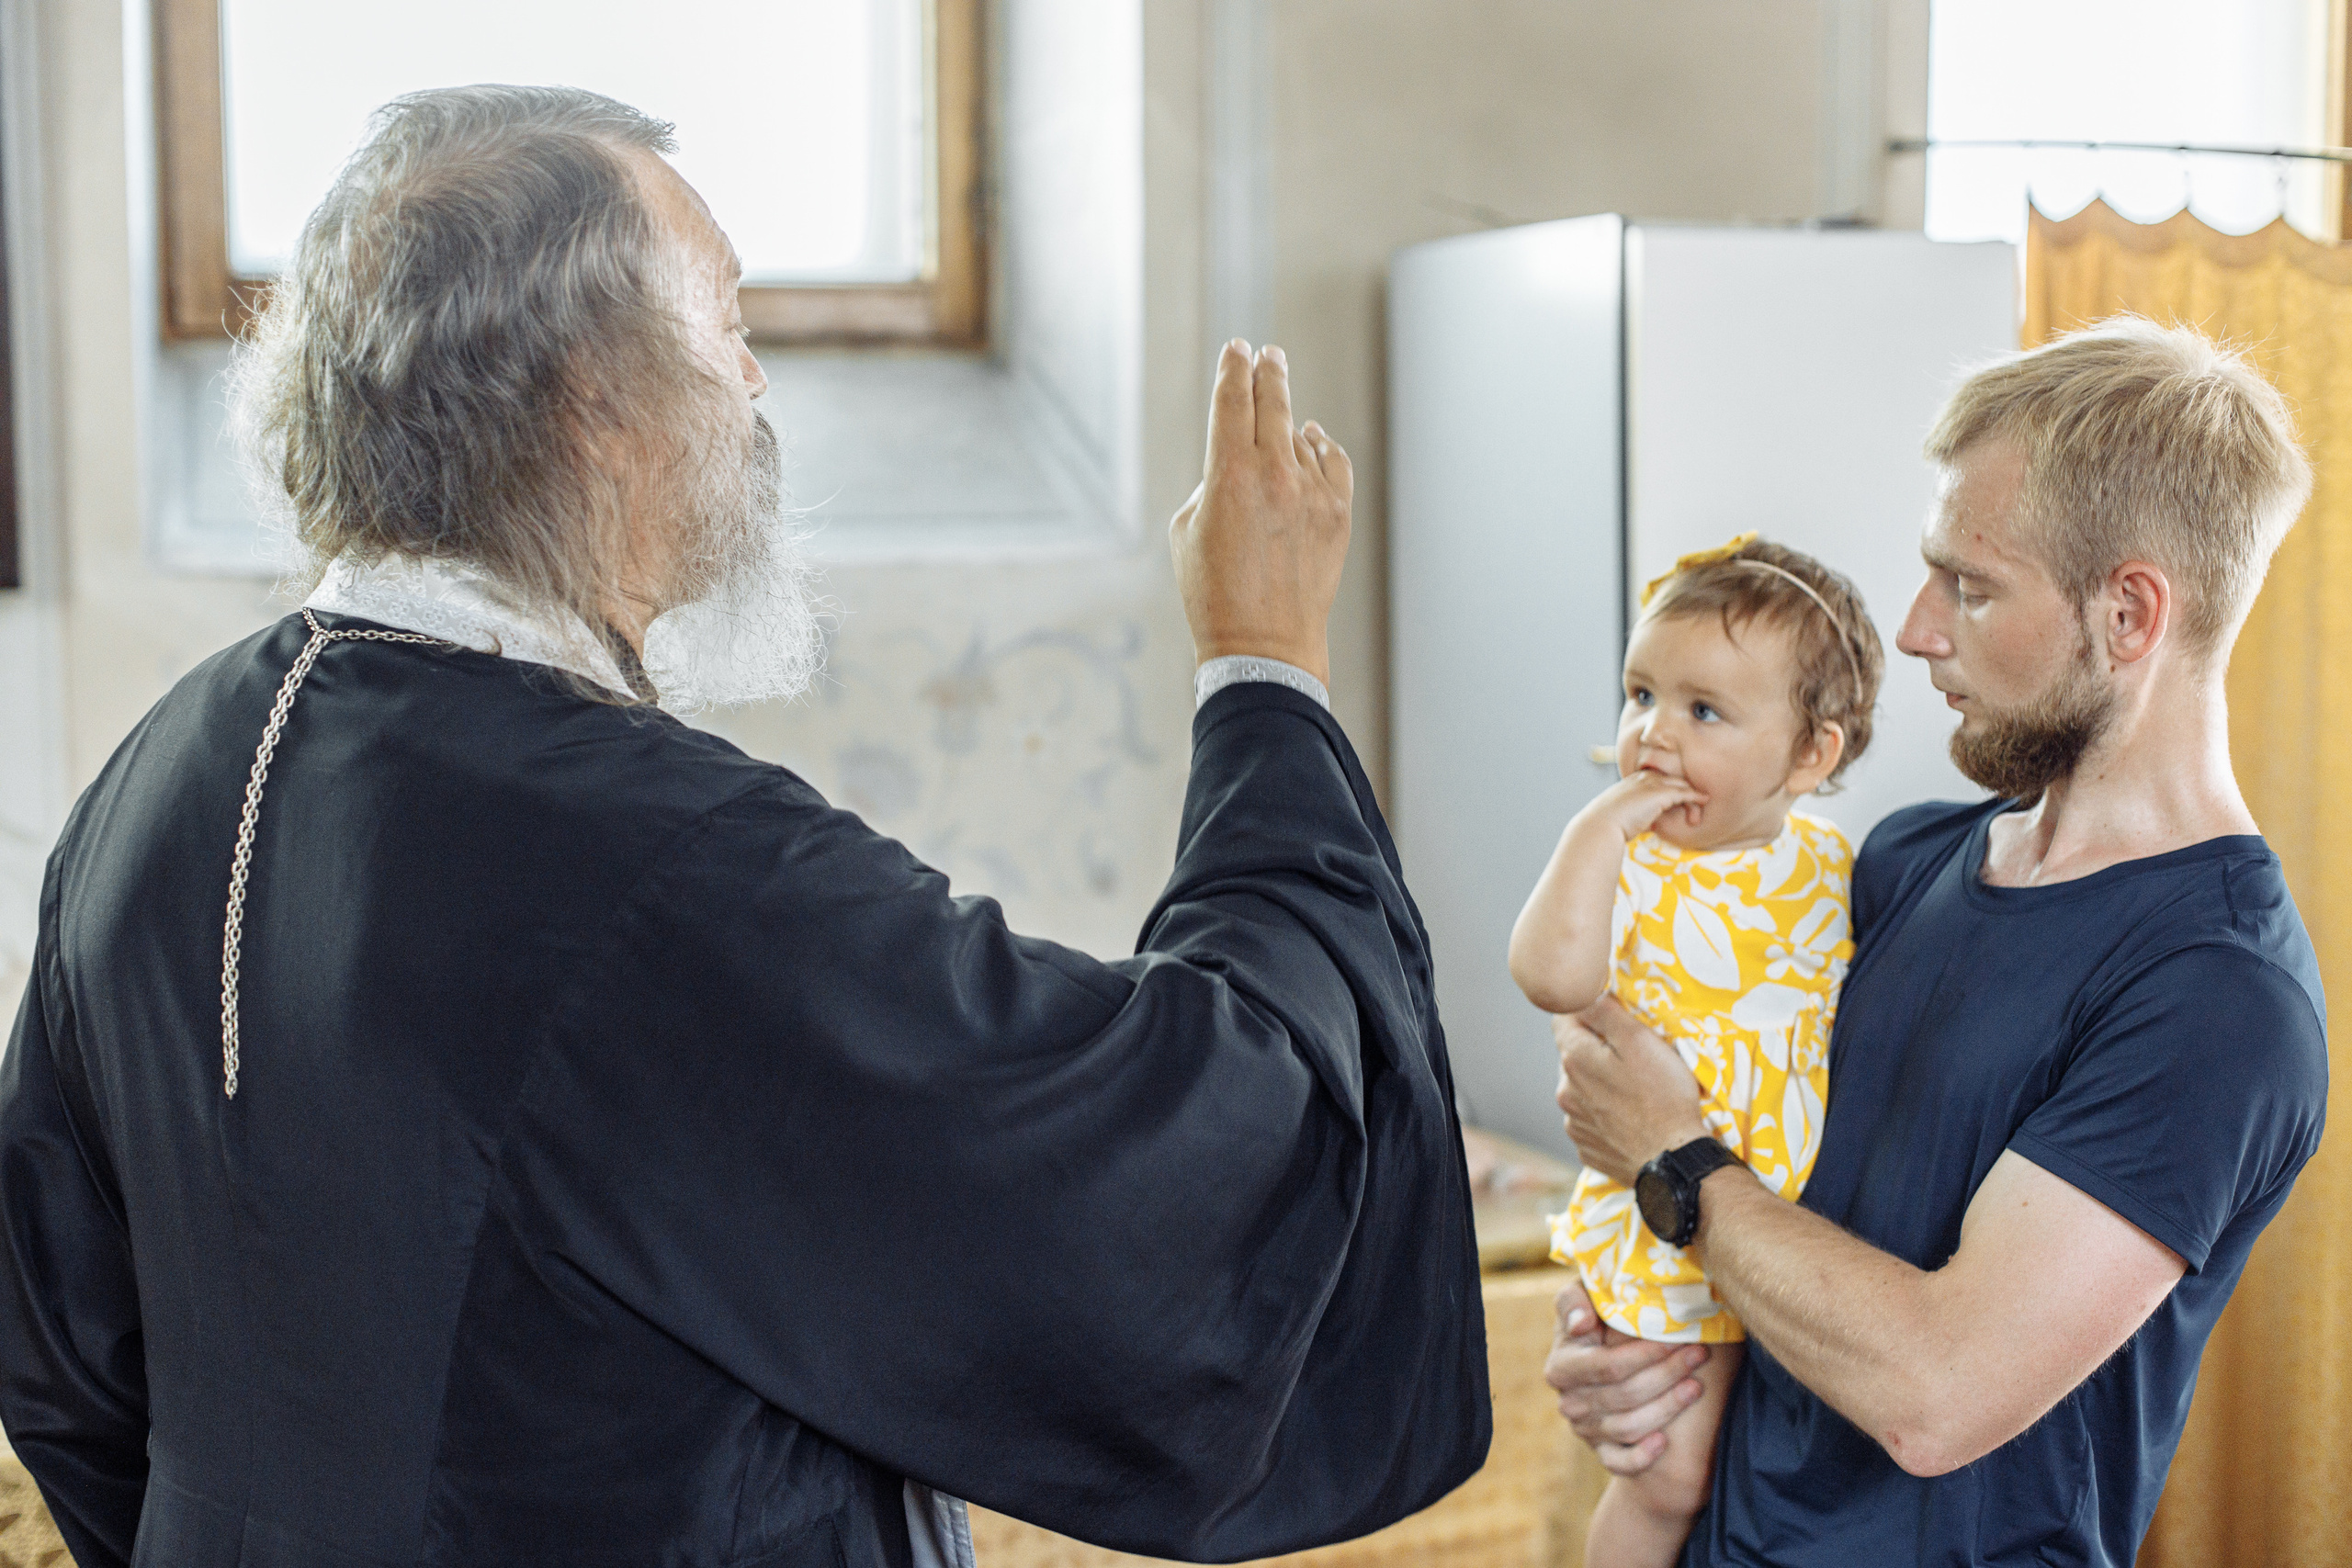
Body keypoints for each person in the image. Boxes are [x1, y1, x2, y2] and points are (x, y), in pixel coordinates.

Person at [0, 86, 1490, 1568]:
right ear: (596, 400)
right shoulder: (651, 864)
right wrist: (1264, 668)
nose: (758, 387)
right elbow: (1174, 1186)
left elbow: (65, 1367)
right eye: (729, 325)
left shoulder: (159, 781)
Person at [1545, 317, 2328, 1567]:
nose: (1915, 629)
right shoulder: (1905, 860)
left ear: (2130, 612)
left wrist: (1669, 1160)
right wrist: (1634, 1347)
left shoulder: (2217, 997)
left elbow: (1935, 1387)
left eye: (1970, 583)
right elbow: (1772, 1215)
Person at [1509, 535, 1883, 1568]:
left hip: (1783, 1226)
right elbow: (1550, 975)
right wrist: (1595, 833)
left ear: (1812, 755)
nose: (1652, 737)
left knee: (1752, 1446)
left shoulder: (1832, 864)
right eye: (1639, 697)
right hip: (1666, 1221)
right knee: (1671, 1471)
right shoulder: (1629, 864)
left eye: (1702, 711)